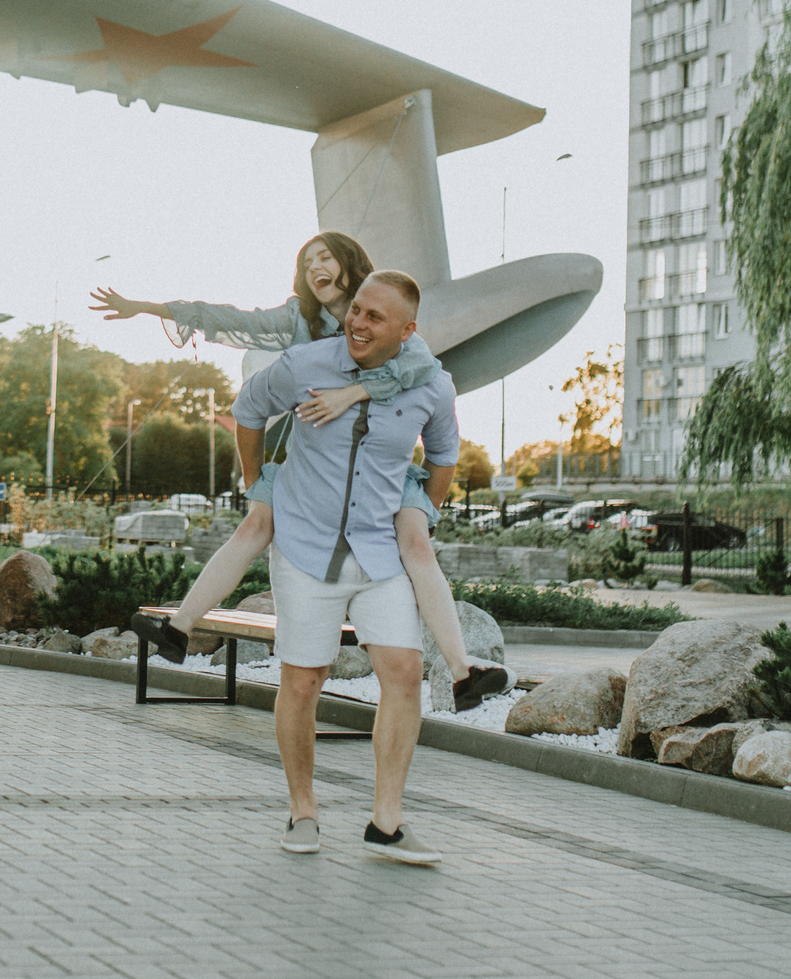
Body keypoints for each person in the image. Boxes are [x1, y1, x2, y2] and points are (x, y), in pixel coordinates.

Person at [91, 233, 507, 712]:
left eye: (325, 256)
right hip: (317, 463)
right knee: (256, 524)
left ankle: (462, 670)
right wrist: (145, 307)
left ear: (349, 267)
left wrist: (353, 395)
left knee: (415, 540)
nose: (315, 266)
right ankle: (179, 630)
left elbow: (418, 374)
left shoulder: (387, 314)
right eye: (307, 261)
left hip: (388, 469)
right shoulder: (297, 321)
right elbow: (227, 318)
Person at [230, 269, 455, 861]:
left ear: (407, 331)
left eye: (374, 317)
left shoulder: (432, 385)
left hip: (380, 552)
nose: (357, 321)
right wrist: (257, 487)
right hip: (305, 547)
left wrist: (422, 512)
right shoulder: (307, 363)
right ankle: (303, 810)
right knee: (304, 681)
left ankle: (387, 822)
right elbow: (248, 409)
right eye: (356, 309)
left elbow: (444, 455)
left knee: (404, 673)